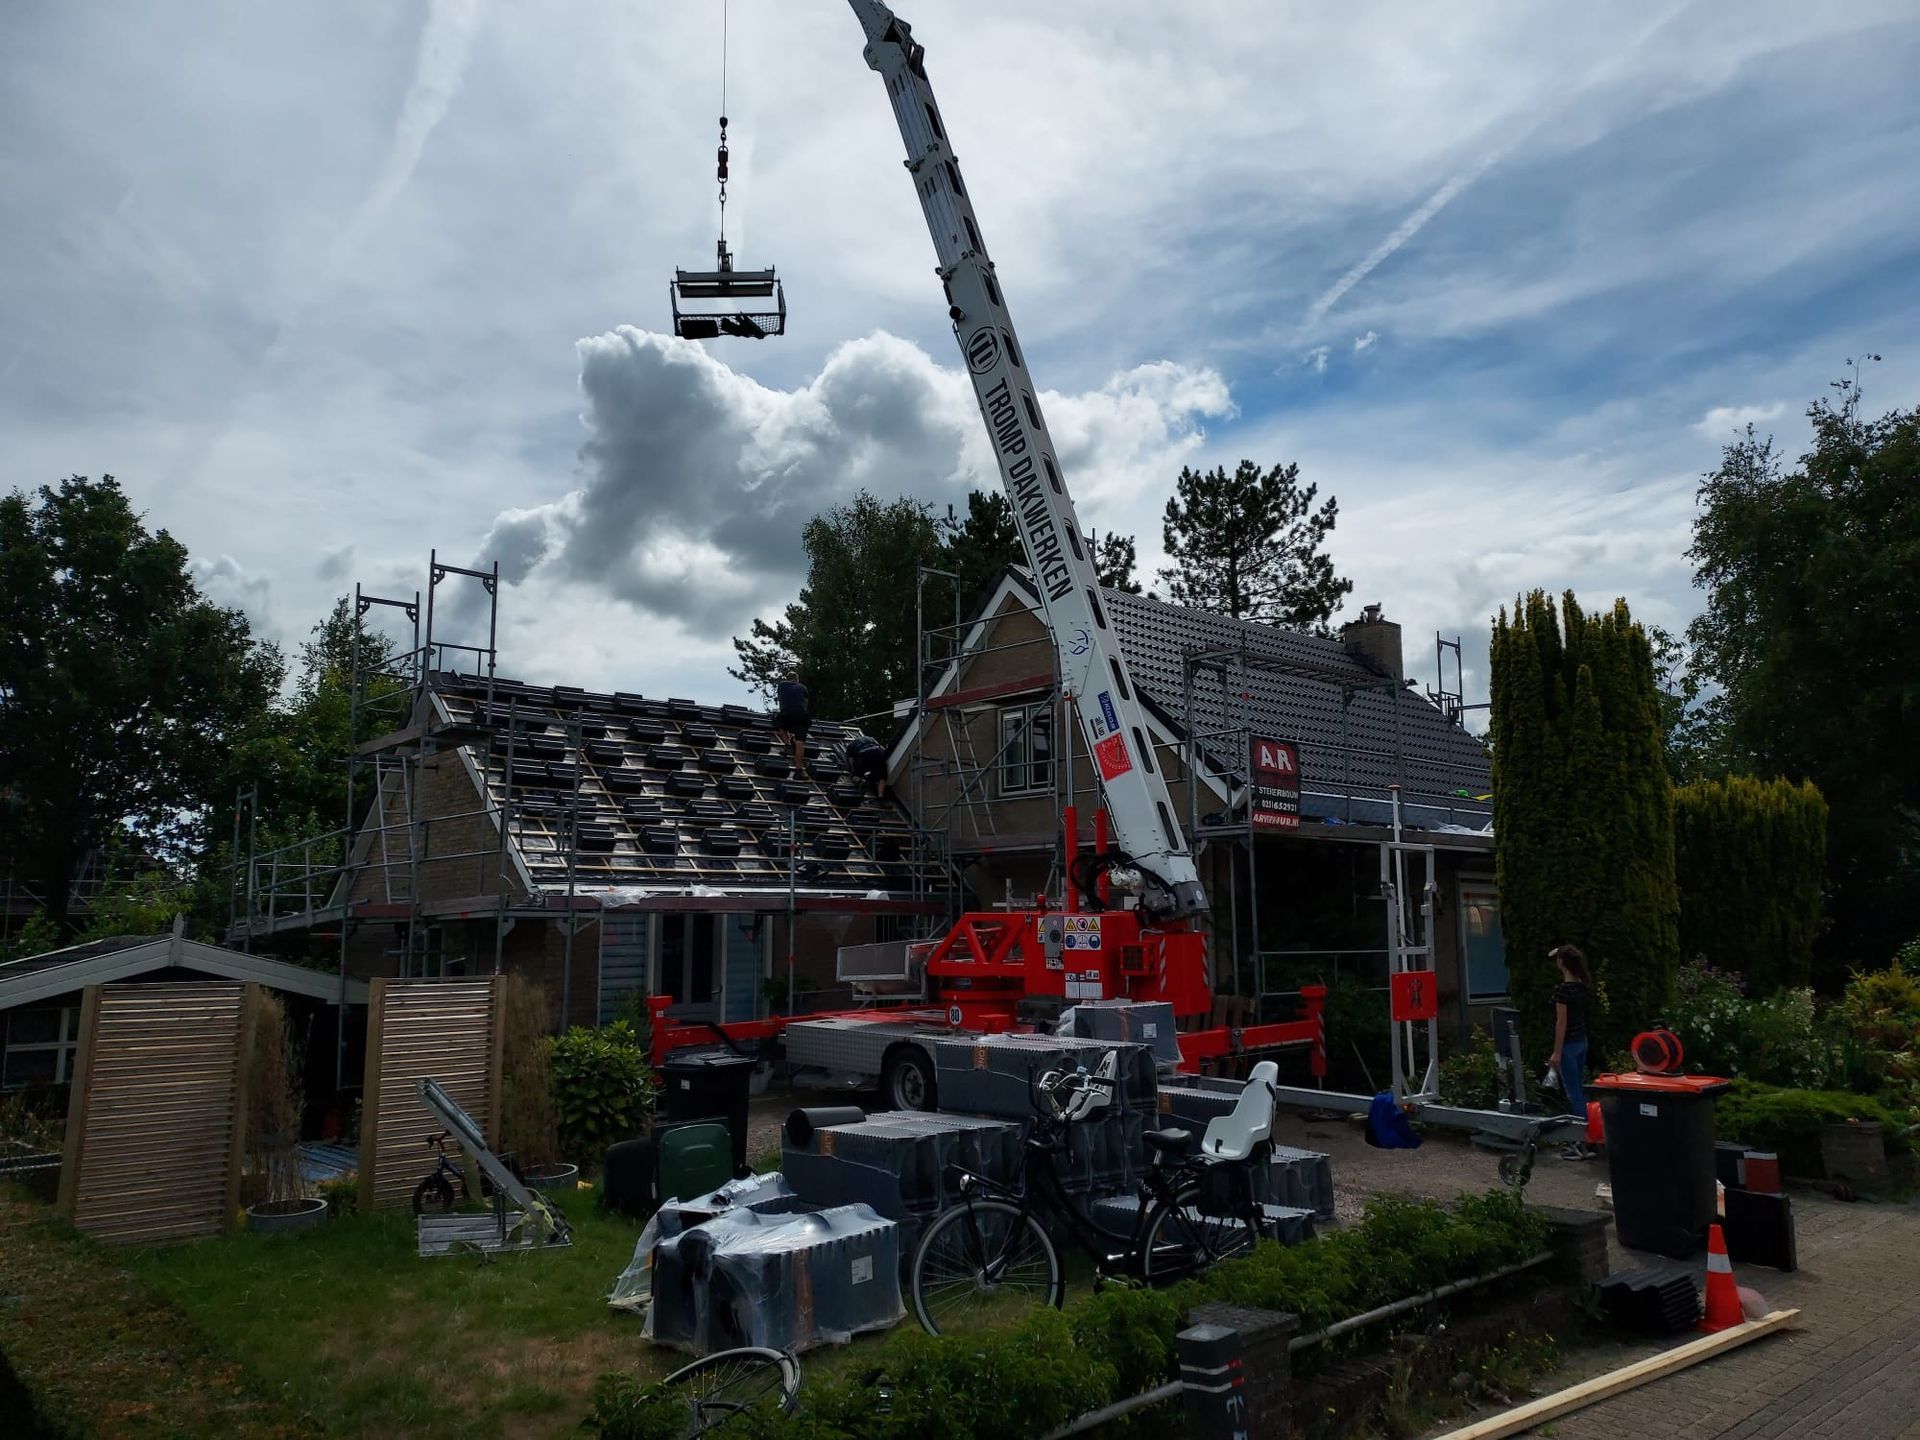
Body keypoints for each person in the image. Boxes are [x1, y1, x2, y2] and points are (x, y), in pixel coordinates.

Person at [1548, 943, 1594, 1161]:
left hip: (1568, 1046)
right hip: (1582, 1041)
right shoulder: (1582, 986)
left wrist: (1556, 1052)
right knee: (1579, 1090)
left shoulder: (1563, 990)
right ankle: (1588, 1138)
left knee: (1573, 1093)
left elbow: (1561, 1023)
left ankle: (1580, 1142)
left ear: (1562, 962)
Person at [773, 670, 811, 774]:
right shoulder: (803, 688)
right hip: (802, 716)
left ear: (787, 679)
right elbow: (805, 703)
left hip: (786, 714)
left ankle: (787, 744)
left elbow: (781, 700)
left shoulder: (782, 685)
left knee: (779, 725)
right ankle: (799, 770)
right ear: (797, 679)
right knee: (799, 743)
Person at [841, 732, 889, 800]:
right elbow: (880, 747)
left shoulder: (851, 746)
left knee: (855, 775)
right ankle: (880, 795)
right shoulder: (870, 738)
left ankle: (861, 781)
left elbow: (851, 760)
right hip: (878, 752)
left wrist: (853, 771)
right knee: (882, 776)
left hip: (864, 754)